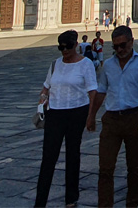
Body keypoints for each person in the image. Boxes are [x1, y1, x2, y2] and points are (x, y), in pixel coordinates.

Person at [91, 25, 138, 208]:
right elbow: (101, 91)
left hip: (134, 117)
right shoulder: (108, 65)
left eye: (123, 45)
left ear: (132, 42)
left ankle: (132, 204)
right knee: (105, 168)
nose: (119, 50)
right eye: (116, 46)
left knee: (134, 167)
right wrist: (91, 116)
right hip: (111, 119)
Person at [35, 30, 98, 208]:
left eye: (67, 47)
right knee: (48, 157)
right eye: (60, 47)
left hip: (77, 112)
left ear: (75, 45)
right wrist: (42, 97)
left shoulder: (86, 64)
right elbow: (46, 86)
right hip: (55, 113)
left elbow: (93, 90)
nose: (64, 51)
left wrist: (91, 116)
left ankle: (71, 198)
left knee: (73, 155)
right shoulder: (55, 64)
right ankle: (40, 202)